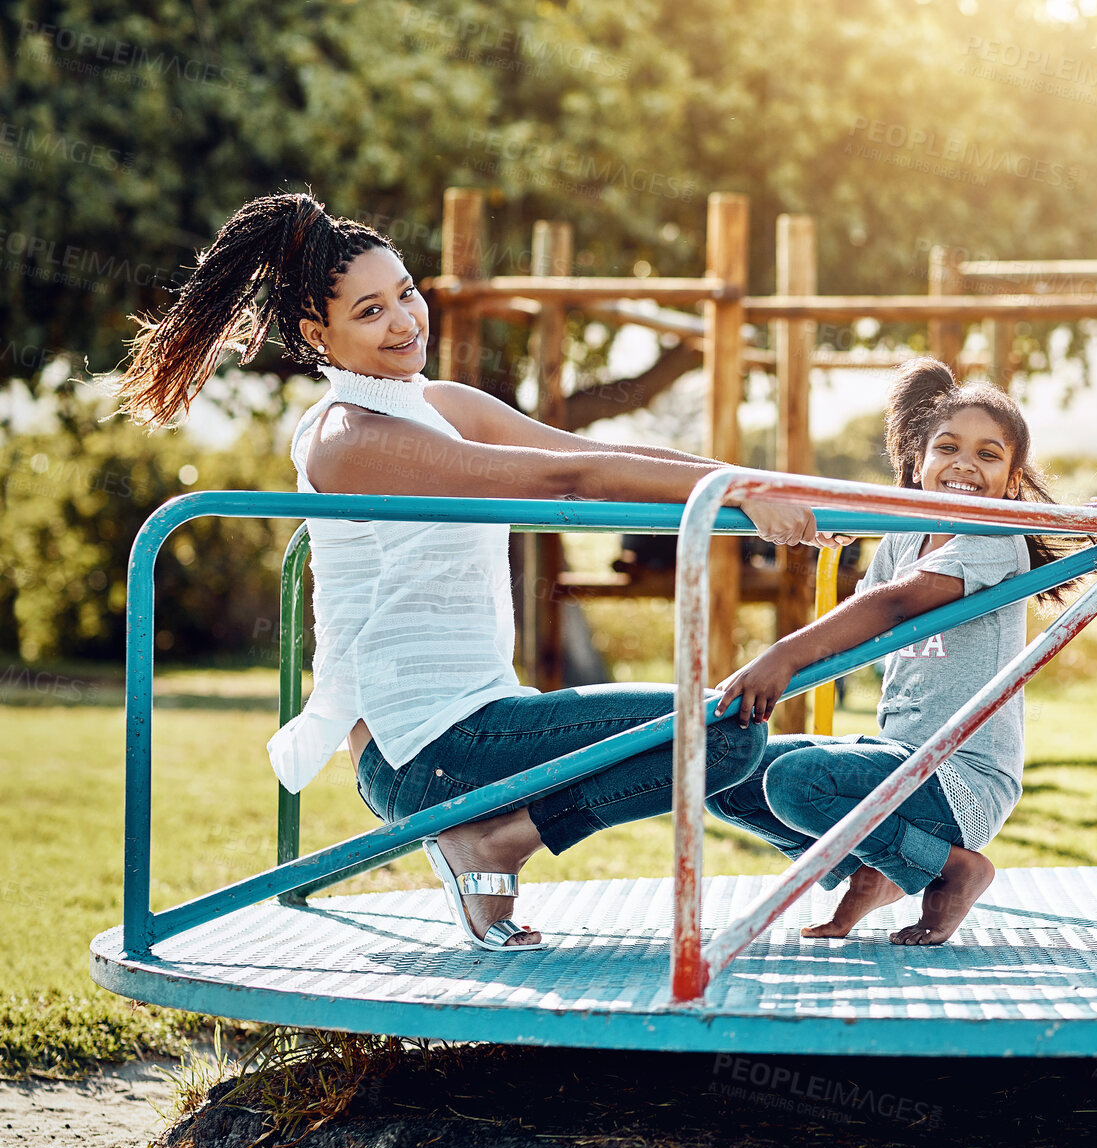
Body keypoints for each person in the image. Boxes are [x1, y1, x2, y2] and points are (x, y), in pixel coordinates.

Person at [114, 191, 839, 952]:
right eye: (370, 312)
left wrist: (762, 484)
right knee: (722, 733)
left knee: (733, 738)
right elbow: (570, 480)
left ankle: (863, 863)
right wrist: (742, 492)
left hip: (482, 716)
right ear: (314, 334)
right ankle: (492, 843)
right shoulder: (347, 436)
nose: (404, 321)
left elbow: (576, 451)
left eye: (406, 293)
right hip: (423, 751)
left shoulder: (437, 402)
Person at [709, 357, 1076, 945]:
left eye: (988, 455)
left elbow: (895, 606)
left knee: (798, 783)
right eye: (948, 448)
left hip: (963, 777)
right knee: (726, 773)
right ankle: (883, 867)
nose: (964, 465)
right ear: (919, 462)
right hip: (895, 753)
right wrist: (832, 522)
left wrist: (781, 656)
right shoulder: (904, 532)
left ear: (1012, 481)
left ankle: (950, 867)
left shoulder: (996, 539)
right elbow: (863, 615)